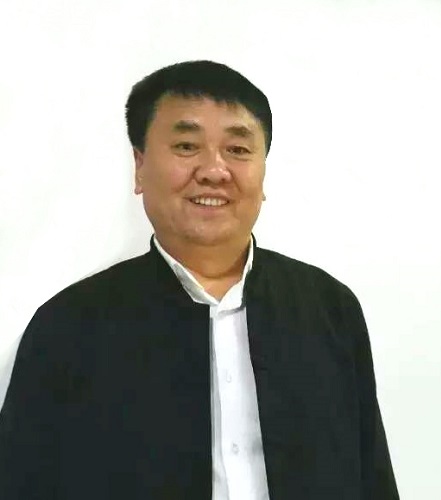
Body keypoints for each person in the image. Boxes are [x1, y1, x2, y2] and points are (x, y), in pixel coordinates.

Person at [0, 60, 399, 499]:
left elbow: (372, 479)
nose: (214, 170)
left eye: (238, 150)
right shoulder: (68, 327)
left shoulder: (329, 310)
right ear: (139, 166)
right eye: (187, 146)